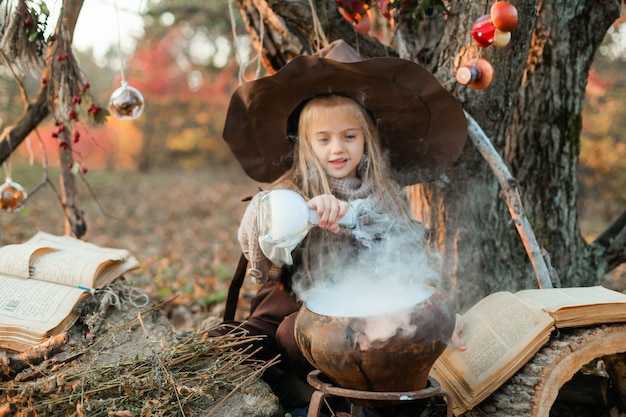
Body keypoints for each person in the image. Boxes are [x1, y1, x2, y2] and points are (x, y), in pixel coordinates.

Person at [218, 39, 468, 415]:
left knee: (355, 346)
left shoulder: (383, 196)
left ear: (366, 140)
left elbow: (407, 256)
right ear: (306, 144)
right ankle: (284, 394)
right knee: (238, 341)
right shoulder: (290, 190)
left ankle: (334, 401)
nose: (338, 149)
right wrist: (299, 211)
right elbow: (258, 230)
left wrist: (435, 312)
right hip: (280, 319)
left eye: (349, 136)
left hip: (354, 331)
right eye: (324, 139)